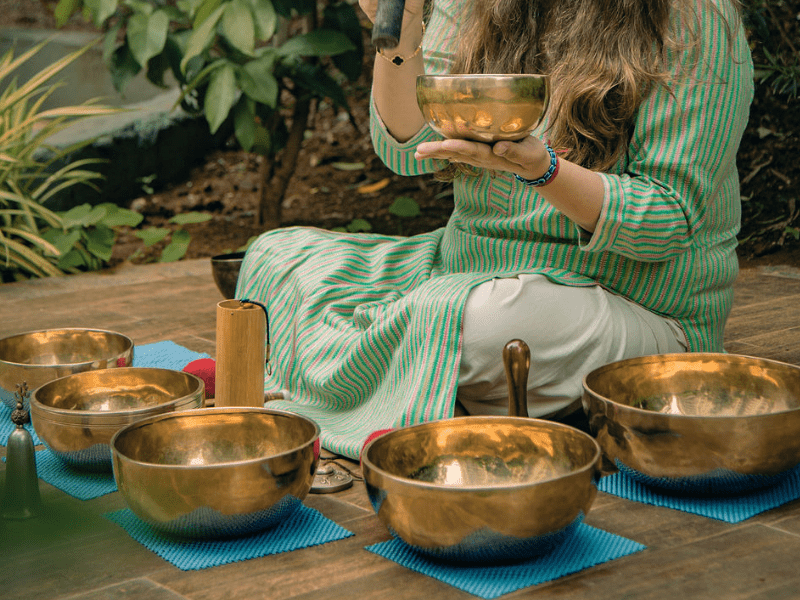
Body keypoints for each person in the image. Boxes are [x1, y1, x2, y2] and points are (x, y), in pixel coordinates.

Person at [237, 0, 754, 459]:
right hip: (464, 271)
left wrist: (541, 169)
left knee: (486, 327)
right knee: (277, 256)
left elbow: (665, 218)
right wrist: (403, 35)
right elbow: (406, 149)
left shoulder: (695, 16)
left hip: (627, 304)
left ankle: (381, 371)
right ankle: (413, 371)